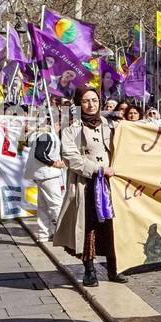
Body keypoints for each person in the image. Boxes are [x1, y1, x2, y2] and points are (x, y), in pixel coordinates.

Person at [55, 86, 123, 286]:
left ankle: (114, 268)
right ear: (79, 104)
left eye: (94, 100)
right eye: (86, 101)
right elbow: (71, 158)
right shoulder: (71, 130)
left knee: (113, 225)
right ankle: (90, 269)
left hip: (111, 184)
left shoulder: (111, 126)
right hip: (86, 184)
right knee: (88, 226)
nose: (91, 104)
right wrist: (97, 169)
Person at [28, 124, 65, 242]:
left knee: (43, 207)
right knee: (56, 205)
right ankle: (62, 234)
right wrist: (54, 163)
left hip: (43, 175)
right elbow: (40, 154)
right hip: (48, 175)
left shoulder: (43, 135)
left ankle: (43, 234)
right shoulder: (46, 135)